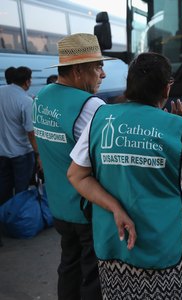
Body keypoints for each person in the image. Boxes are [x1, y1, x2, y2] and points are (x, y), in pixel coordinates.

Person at [67, 52, 182, 299]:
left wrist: (115, 208)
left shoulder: (100, 118)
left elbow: (76, 175)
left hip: (113, 241)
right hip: (162, 245)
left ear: (129, 85)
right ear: (166, 89)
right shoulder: (178, 127)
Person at [33, 33, 112, 300]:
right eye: (97, 66)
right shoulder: (91, 106)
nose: (102, 74)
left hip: (58, 206)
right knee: (93, 276)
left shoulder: (42, 96)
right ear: (79, 70)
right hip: (87, 209)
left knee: (69, 267)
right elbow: (105, 161)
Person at [0, 66, 40, 203]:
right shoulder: (26, 101)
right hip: (22, 154)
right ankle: (18, 219)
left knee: (4, 188)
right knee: (21, 189)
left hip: (2, 153)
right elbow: (31, 133)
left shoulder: (1, 91)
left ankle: (4, 216)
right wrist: (38, 154)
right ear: (27, 82)